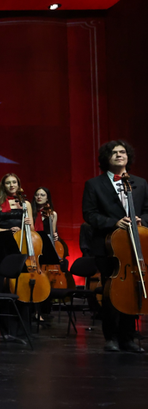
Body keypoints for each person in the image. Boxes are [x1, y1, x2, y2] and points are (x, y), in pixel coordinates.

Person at [82, 140, 147, 353]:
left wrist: (141, 220)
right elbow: (89, 215)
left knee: (131, 290)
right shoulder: (94, 184)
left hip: (134, 245)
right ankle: (111, 337)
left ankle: (128, 337)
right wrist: (114, 222)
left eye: (123, 152)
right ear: (106, 158)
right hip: (108, 246)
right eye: (114, 152)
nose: (119, 155)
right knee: (111, 292)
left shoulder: (141, 183)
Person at [0, 173, 34, 262]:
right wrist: (8, 231)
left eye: (14, 182)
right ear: (4, 186)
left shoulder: (26, 204)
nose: (11, 185)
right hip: (4, 242)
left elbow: (32, 229)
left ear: (18, 185)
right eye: (8, 183)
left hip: (21, 241)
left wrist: (28, 225)